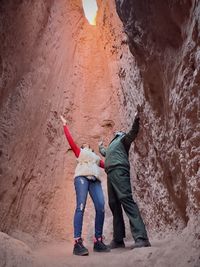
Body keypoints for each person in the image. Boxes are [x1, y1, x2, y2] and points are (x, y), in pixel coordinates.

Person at [98, 112, 151, 249]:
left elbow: (132, 134)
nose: (116, 131)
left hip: (119, 170)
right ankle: (118, 240)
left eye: (118, 131)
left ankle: (141, 238)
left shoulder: (122, 139)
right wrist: (100, 147)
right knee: (114, 204)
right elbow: (105, 153)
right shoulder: (112, 145)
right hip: (110, 173)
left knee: (126, 200)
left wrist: (136, 120)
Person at [60, 115, 110, 256]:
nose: (86, 144)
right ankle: (77, 243)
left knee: (100, 207)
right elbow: (71, 142)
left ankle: (98, 241)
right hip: (82, 178)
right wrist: (65, 125)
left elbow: (106, 165)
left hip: (94, 180)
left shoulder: (96, 158)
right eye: (84, 144)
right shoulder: (80, 153)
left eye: (88, 145)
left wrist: (117, 163)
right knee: (80, 207)